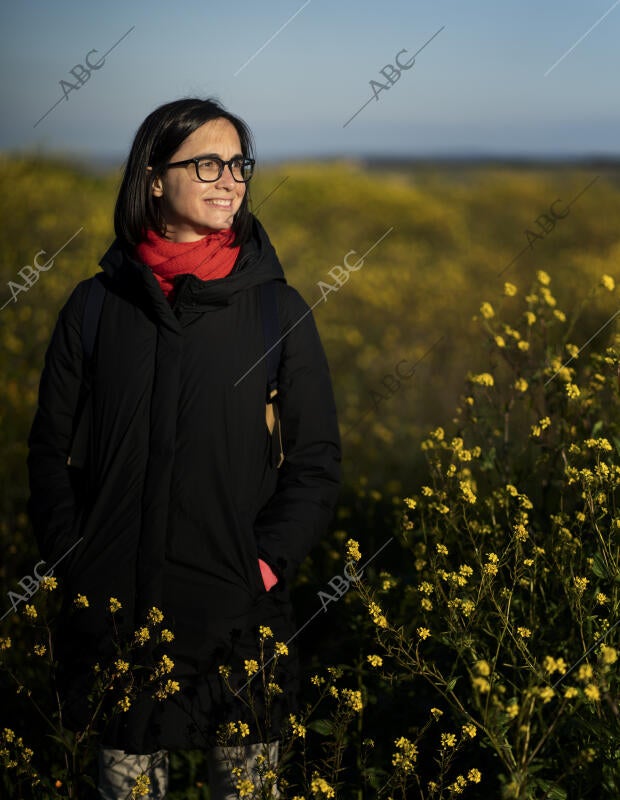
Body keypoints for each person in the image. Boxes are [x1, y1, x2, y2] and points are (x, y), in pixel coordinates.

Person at [26, 97, 342, 799]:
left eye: (239, 164)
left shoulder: (275, 311)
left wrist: (259, 567)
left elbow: (316, 462)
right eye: (207, 163)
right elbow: (48, 453)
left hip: (239, 619)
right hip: (117, 622)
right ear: (153, 175)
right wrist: (80, 564)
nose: (230, 180)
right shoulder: (96, 307)